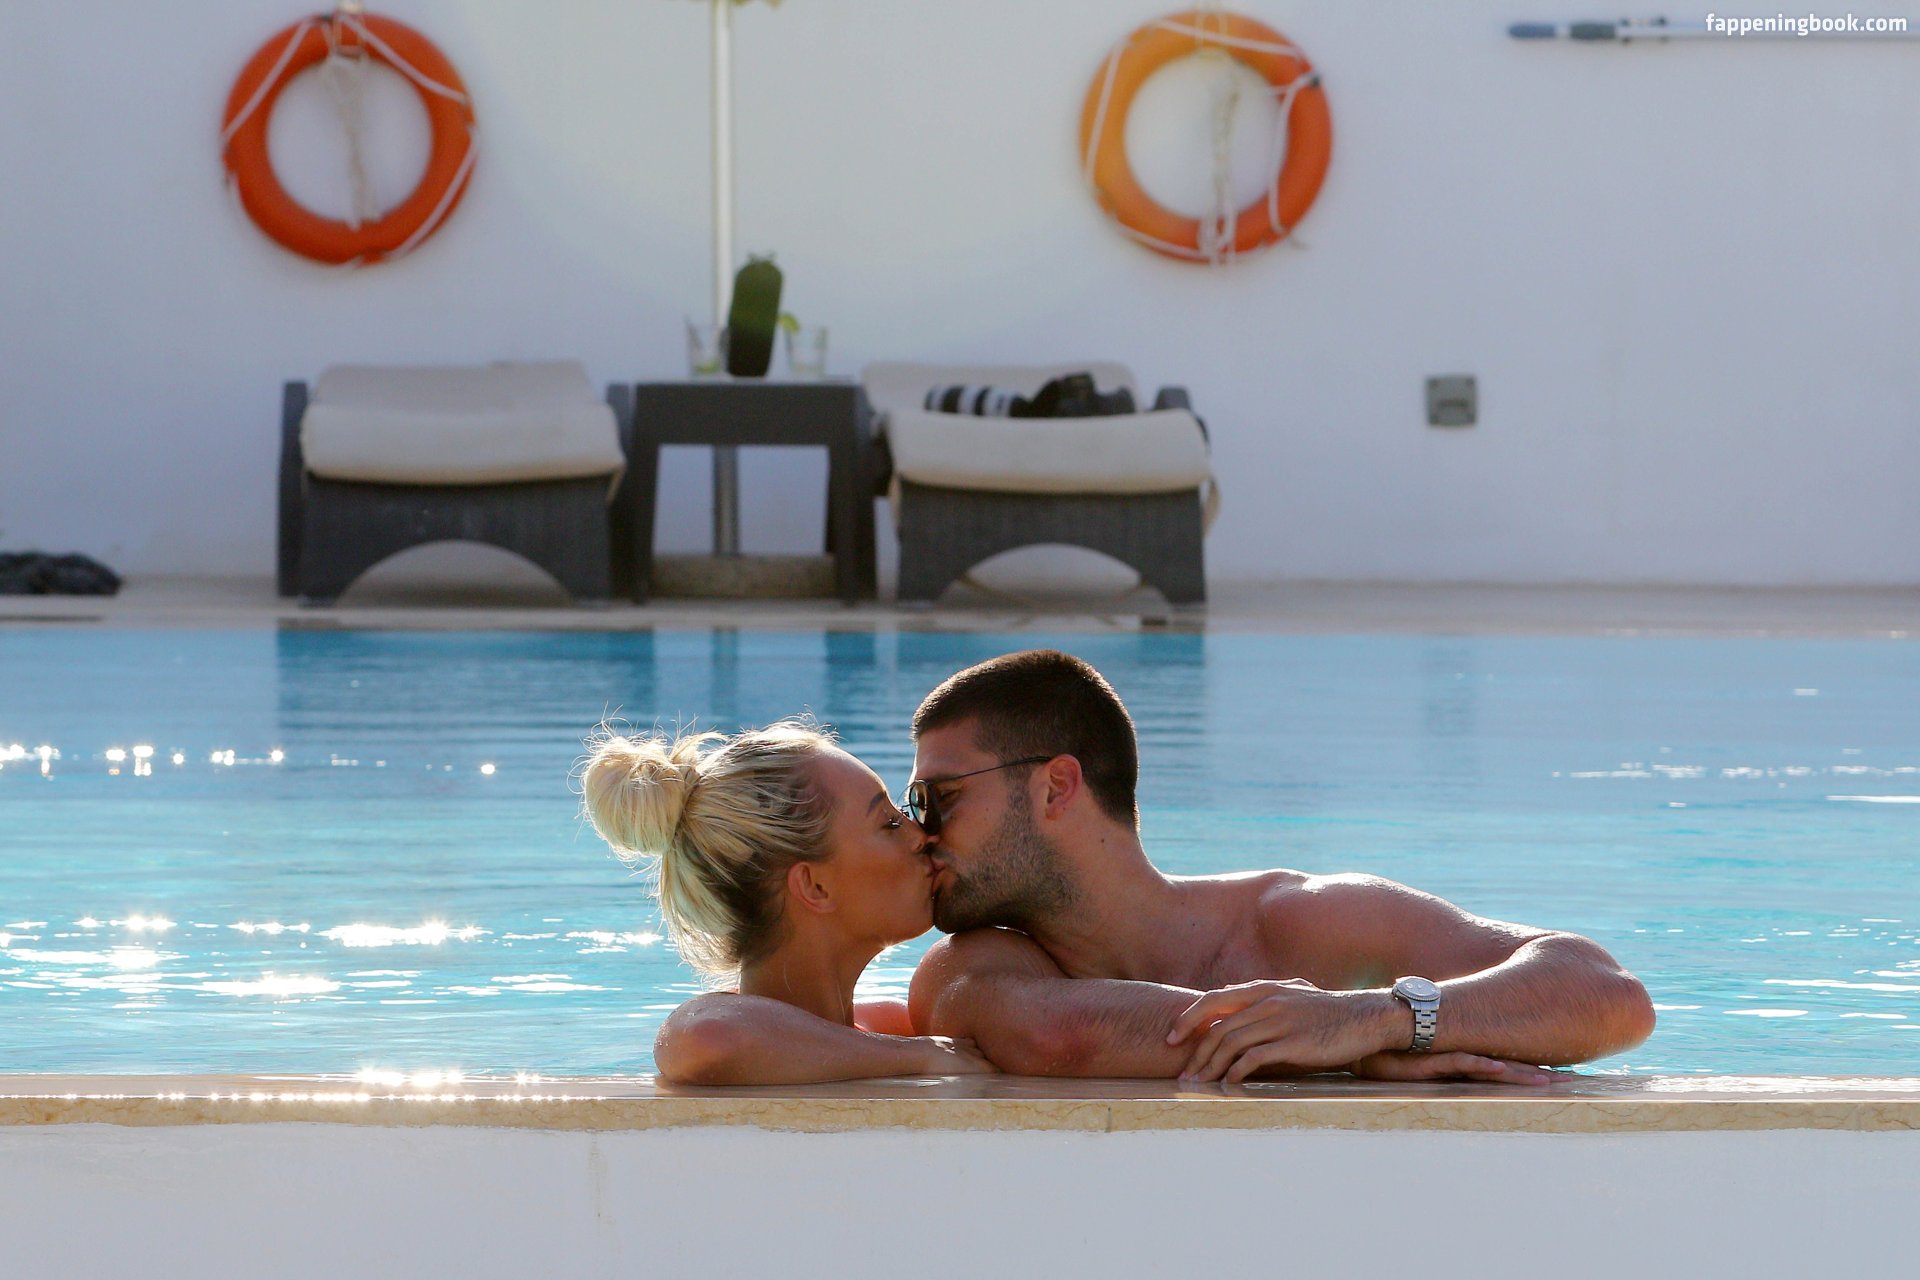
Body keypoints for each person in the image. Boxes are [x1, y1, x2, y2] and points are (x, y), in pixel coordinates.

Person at [906, 650, 1657, 1084]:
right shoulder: (970, 969)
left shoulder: (1304, 920)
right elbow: (1059, 1038)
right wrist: (1342, 1052)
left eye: (936, 799)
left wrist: (1374, 1018)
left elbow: (1610, 994)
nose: (920, 833)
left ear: (1055, 788)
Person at [581, 719, 994, 1085]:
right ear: (815, 886)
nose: (921, 835)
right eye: (888, 823)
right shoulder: (717, 1030)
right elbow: (706, 1039)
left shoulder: (889, 1026)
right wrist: (916, 1057)